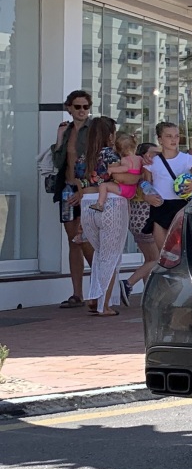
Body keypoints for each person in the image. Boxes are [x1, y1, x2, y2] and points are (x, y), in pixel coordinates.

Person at [48, 90, 95, 308]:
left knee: (85, 239)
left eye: (86, 107)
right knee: (73, 241)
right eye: (78, 107)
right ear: (69, 108)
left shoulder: (93, 130)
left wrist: (84, 190)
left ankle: (100, 287)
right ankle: (77, 293)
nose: (82, 111)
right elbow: (58, 162)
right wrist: (59, 138)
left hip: (86, 189)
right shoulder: (66, 131)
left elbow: (96, 163)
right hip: (67, 188)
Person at [79, 116, 130, 317]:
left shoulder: (83, 157)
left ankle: (95, 297)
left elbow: (80, 183)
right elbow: (122, 178)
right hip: (112, 203)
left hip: (87, 204)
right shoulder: (111, 155)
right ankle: (104, 304)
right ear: (110, 135)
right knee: (111, 256)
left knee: (100, 255)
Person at [145, 121, 192, 253]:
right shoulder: (151, 162)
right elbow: (145, 185)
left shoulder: (188, 159)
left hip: (181, 207)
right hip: (160, 207)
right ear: (160, 139)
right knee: (163, 254)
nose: (174, 140)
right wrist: (147, 197)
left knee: (180, 253)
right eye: (169, 136)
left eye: (176, 136)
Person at [120, 141, 161, 306]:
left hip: (136, 220)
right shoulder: (146, 173)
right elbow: (151, 193)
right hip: (145, 219)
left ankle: (147, 297)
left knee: (149, 259)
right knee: (157, 259)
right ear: (144, 155)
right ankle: (128, 283)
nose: (157, 157)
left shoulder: (135, 171)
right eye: (153, 153)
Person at [90, 133, 143, 211]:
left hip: (124, 188)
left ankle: (100, 204)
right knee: (126, 203)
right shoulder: (140, 158)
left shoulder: (125, 159)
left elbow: (125, 168)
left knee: (103, 186)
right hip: (133, 189)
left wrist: (111, 170)